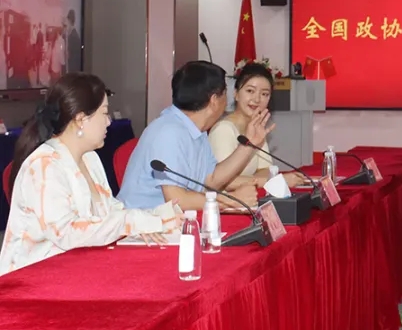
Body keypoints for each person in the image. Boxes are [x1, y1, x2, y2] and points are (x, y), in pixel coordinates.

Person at [0, 73, 182, 275]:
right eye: (104, 113)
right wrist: (131, 222)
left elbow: (111, 212)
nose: (109, 122)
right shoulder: (44, 166)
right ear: (81, 119)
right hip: (33, 278)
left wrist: (154, 216)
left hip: (78, 269)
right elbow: (68, 233)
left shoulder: (90, 158)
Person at [117, 61, 271, 212]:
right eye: (225, 94)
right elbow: (177, 200)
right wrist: (231, 201)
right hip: (140, 224)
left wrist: (248, 145)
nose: (226, 102)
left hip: (170, 222)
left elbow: (211, 180)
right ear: (214, 100)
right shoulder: (168, 132)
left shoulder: (197, 131)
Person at [208, 62, 306, 189]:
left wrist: (264, 180)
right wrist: (275, 182)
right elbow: (222, 181)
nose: (257, 99)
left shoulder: (256, 127)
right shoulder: (223, 130)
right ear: (236, 94)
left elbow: (265, 170)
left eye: (264, 94)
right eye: (250, 91)